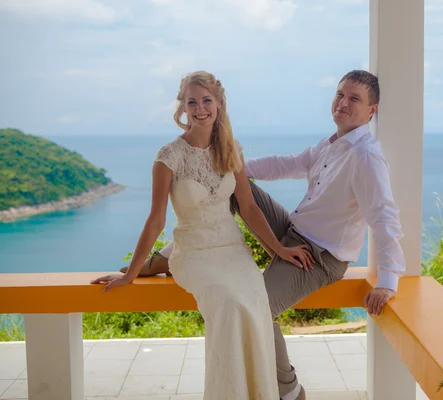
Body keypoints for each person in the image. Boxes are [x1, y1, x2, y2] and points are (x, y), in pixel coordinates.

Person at [121, 70, 406, 400]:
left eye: (354, 98)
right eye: (340, 94)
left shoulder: (366, 156)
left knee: (258, 308)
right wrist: (231, 168)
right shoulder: (332, 144)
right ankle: (171, 255)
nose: (343, 103)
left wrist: (387, 280)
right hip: (292, 231)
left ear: (372, 110)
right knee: (229, 188)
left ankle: (290, 390)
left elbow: (384, 217)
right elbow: (287, 164)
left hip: (320, 257)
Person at [92, 71, 314, 400]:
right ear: (182, 107)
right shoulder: (169, 157)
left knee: (254, 303)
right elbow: (155, 221)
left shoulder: (230, 150)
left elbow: (250, 208)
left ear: (219, 105)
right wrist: (131, 274)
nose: (200, 108)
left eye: (206, 100)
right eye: (192, 101)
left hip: (232, 250)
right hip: (194, 253)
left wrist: (279, 249)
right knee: (228, 301)